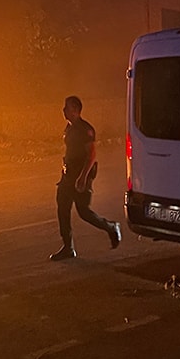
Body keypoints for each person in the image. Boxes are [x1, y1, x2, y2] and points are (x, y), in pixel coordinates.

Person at [50, 95, 122, 261]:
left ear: (75, 110)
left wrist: (83, 177)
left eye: (67, 107)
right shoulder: (69, 128)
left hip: (80, 176)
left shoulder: (85, 129)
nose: (63, 110)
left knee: (84, 212)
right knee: (62, 209)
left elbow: (91, 155)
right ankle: (68, 247)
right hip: (67, 176)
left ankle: (111, 227)